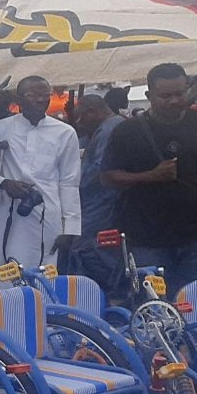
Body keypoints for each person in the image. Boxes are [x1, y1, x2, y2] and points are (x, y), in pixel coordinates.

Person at [0, 76, 81, 293]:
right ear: (20, 99)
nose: (41, 100)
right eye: (34, 95)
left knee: (43, 277)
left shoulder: (65, 132)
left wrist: (70, 227)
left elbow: (69, 182)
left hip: (47, 216)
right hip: (5, 214)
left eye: (45, 95)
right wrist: (4, 183)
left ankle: (42, 313)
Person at [102, 62, 197, 289]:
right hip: (147, 240)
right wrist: (150, 176)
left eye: (179, 93)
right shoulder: (127, 131)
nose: (174, 101)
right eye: (165, 96)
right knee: (155, 303)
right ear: (149, 96)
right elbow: (108, 177)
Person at [63, 93, 126, 285]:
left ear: (91, 112)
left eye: (80, 119)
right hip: (99, 203)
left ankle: (95, 292)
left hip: (101, 204)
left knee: (87, 250)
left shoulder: (110, 129)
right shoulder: (106, 128)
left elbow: (100, 170)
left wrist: (74, 186)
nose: (79, 125)